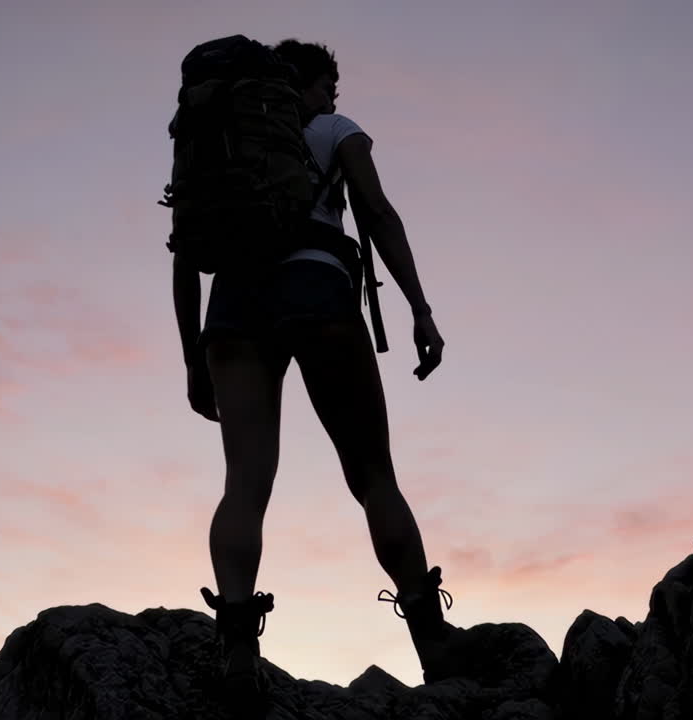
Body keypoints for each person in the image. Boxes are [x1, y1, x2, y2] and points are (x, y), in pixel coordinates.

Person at [171, 38, 467, 700]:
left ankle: (238, 649)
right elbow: (378, 214)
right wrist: (419, 308)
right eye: (327, 88)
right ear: (301, 87)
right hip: (318, 290)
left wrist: (193, 356)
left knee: (245, 482)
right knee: (372, 476)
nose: (333, 100)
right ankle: (433, 643)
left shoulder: (220, 144)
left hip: (233, 308)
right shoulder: (336, 133)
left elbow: (185, 253)